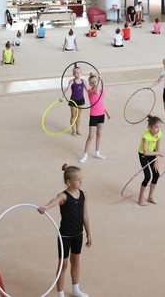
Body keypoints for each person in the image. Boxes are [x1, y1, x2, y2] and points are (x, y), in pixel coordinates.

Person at [37, 164, 91, 297]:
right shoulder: (63, 196)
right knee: (63, 265)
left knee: (76, 261)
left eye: (81, 178)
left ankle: (75, 289)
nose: (81, 181)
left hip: (78, 234)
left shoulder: (84, 194)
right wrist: (46, 207)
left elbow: (85, 215)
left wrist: (88, 232)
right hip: (65, 236)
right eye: (78, 179)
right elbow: (54, 201)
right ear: (68, 182)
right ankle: (60, 294)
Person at [137, 116, 165, 206]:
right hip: (143, 155)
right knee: (147, 176)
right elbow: (146, 152)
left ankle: (150, 196)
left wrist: (156, 161)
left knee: (156, 174)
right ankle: (140, 198)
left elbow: (157, 147)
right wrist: (159, 153)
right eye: (156, 127)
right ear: (149, 127)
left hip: (153, 154)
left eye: (160, 127)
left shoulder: (159, 134)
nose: (158, 129)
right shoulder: (146, 137)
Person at [80, 73, 109, 163]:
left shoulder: (102, 92)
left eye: (95, 82)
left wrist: (107, 113)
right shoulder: (90, 91)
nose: (94, 84)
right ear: (90, 84)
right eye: (92, 83)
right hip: (93, 115)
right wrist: (100, 80)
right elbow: (96, 91)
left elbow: (101, 104)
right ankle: (85, 154)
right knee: (91, 135)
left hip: (101, 115)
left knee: (99, 134)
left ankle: (97, 152)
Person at [60, 65, 85, 135]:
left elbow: (88, 90)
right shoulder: (72, 81)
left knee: (79, 115)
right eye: (76, 73)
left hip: (81, 100)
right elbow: (67, 89)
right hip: (73, 100)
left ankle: (78, 129)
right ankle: (73, 130)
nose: (78, 74)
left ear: (81, 73)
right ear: (73, 74)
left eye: (80, 72)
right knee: (73, 115)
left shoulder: (83, 81)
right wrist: (62, 97)